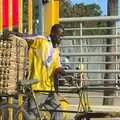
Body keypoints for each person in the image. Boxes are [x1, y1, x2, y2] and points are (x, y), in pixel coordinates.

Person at [27, 24, 66, 120]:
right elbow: (27, 37)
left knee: (58, 111)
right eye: (59, 35)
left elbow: (57, 66)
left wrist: (64, 72)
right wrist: (15, 34)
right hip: (38, 87)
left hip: (50, 89)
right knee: (32, 115)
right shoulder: (41, 41)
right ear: (52, 33)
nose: (61, 38)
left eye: (62, 36)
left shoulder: (56, 50)